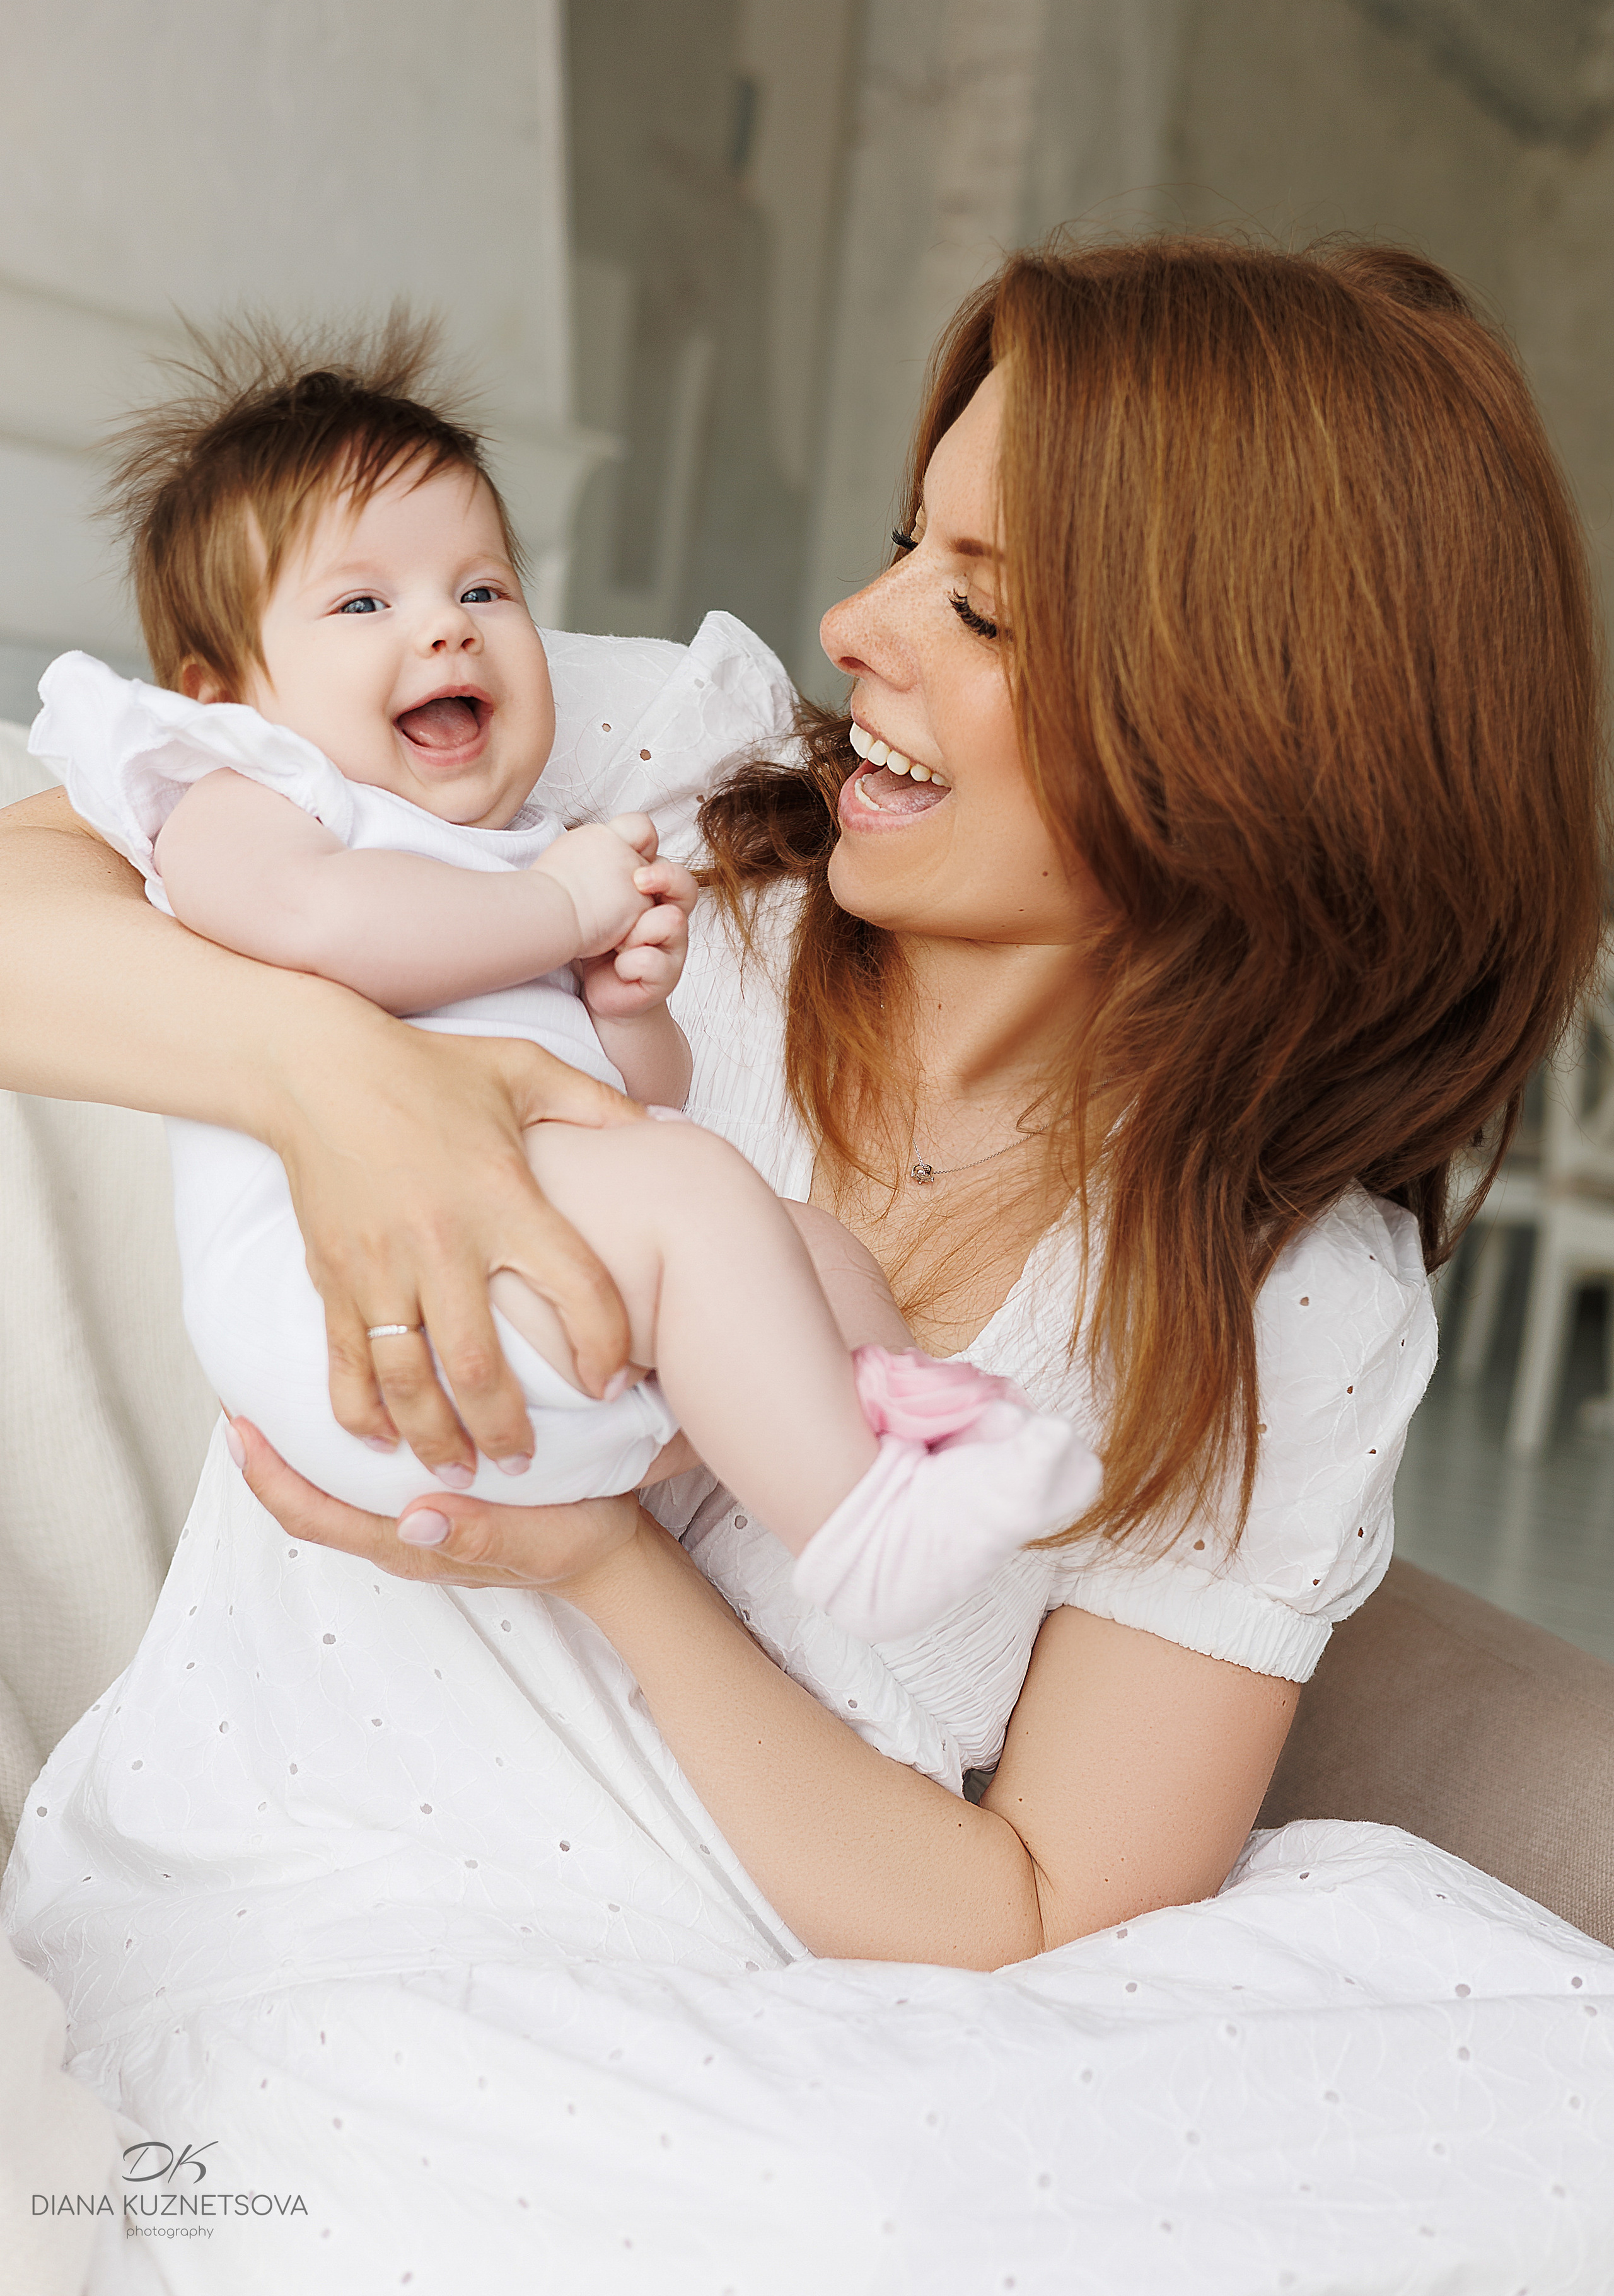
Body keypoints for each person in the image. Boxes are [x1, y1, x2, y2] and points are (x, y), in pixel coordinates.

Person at [1, 234, 1605, 2290]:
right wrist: (336, 1071)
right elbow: (74, 866)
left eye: (983, 600)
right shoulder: (656, 795)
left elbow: (1031, 1919)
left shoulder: (1291, 1298)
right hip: (329, 1888)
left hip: (785, 1993)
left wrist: (600, 1566)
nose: (858, 624)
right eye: (900, 543)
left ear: (1250, 738)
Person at [26, 324, 1098, 1643]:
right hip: (358, 1321)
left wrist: (623, 1008)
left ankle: (894, 1428)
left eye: (482, 591)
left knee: (794, 1238)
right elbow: (319, 924)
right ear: (223, 692)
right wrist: (548, 911)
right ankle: (857, 1530)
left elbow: (623, 1107)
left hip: (536, 1294)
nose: (444, 632)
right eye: (364, 605)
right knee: (702, 1195)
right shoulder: (249, 795)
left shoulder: (518, 840)